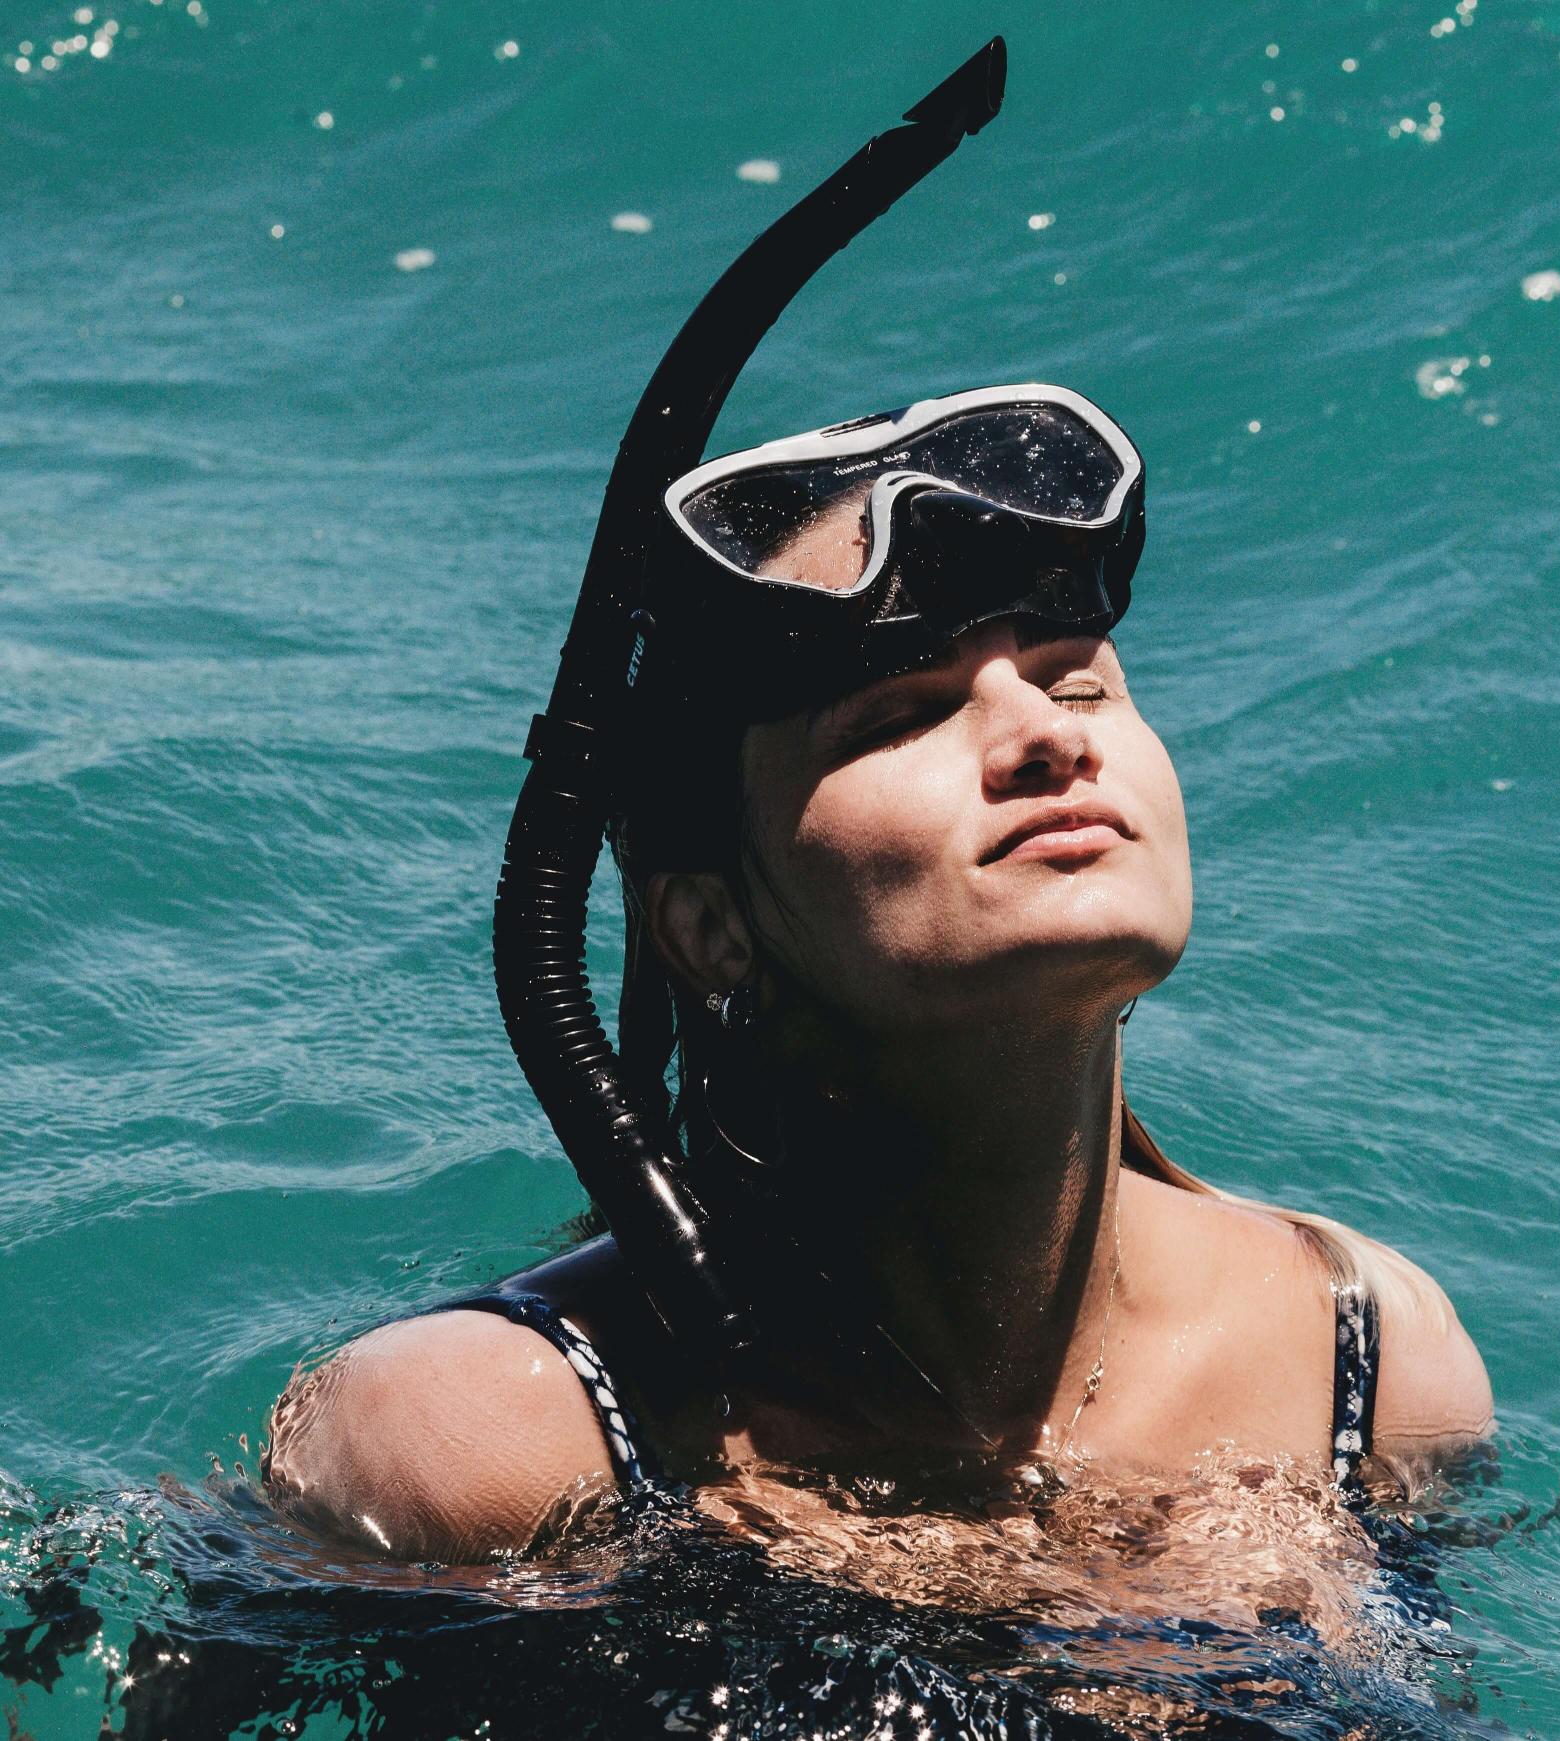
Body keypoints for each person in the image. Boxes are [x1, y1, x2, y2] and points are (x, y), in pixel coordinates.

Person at [262, 47, 1490, 1572]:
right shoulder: (484, 1450)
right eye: (905, 714)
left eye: (1080, 680)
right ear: (710, 922)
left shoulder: (1371, 1367)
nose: (1041, 737)